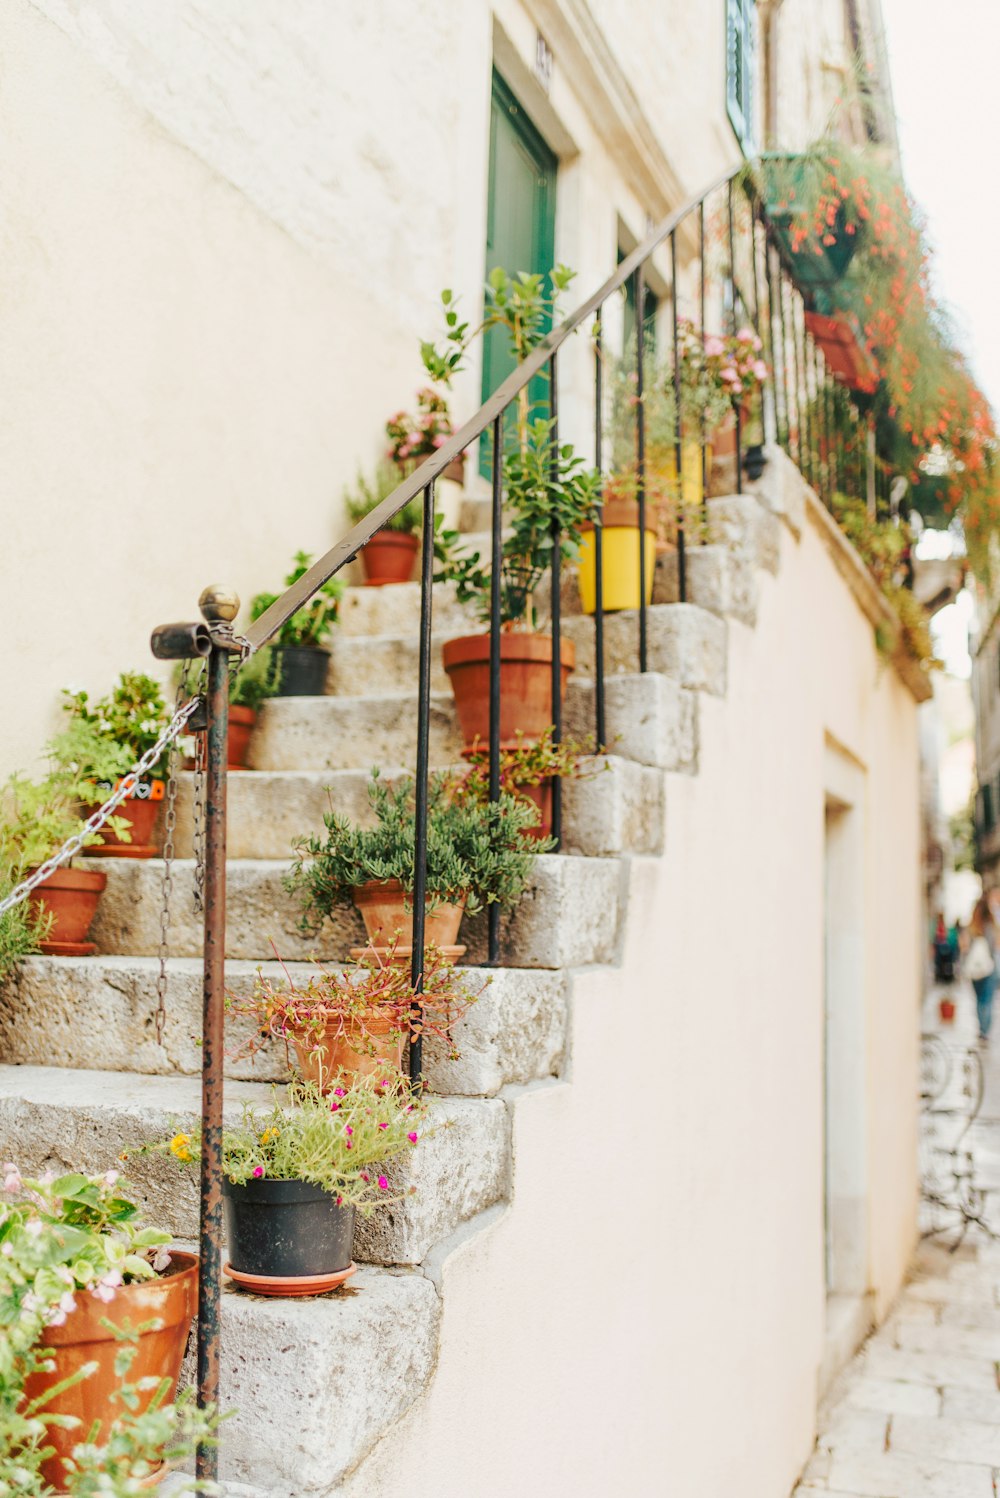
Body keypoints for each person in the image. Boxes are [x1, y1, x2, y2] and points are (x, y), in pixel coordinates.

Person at [965, 896, 997, 1043]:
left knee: (979, 1000)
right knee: (987, 1000)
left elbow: (966, 949)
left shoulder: (972, 927)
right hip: (989, 968)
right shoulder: (991, 927)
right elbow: (992, 949)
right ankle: (985, 1031)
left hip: (975, 970)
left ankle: (981, 1029)